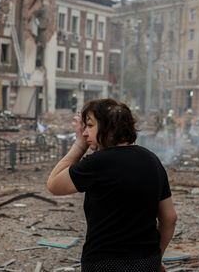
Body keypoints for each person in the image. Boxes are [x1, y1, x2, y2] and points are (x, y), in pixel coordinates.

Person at [47, 98, 177, 272]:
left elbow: (54, 184)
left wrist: (79, 145)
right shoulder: (152, 160)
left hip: (103, 263)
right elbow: (169, 218)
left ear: (110, 129)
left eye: (90, 126)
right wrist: (155, 258)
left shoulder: (97, 163)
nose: (85, 133)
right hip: (146, 262)